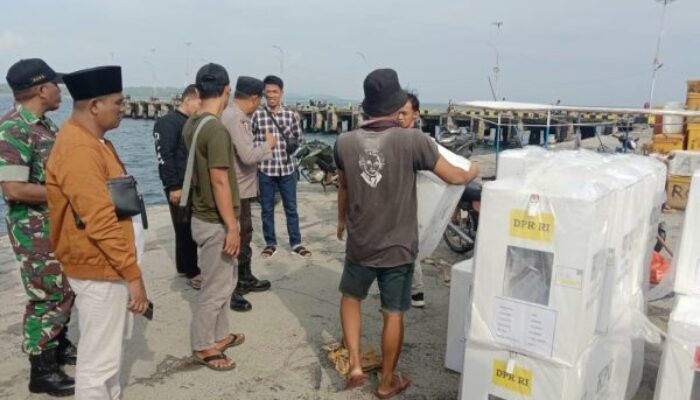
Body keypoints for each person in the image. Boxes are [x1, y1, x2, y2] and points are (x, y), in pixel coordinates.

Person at [335, 69, 479, 398]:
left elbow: (343, 187)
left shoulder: (344, 142)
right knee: (393, 313)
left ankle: (355, 364)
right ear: (398, 105)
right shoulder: (412, 140)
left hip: (360, 240)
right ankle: (387, 381)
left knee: (350, 298)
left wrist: (341, 222)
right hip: (397, 246)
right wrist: (473, 170)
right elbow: (454, 176)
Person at [46, 65, 150, 399]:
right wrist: (132, 273)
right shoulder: (79, 148)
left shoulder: (96, 141)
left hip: (111, 265)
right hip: (100, 267)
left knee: (108, 360)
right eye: (117, 102)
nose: (124, 108)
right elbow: (100, 220)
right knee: (98, 365)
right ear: (94, 105)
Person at [0, 58, 76, 396]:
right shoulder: (14, 128)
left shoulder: (44, 125)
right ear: (42, 88)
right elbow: (13, 189)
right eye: (55, 84)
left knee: (64, 288)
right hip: (34, 230)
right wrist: (67, 192)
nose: (60, 90)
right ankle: (42, 370)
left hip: (55, 224)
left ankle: (57, 347)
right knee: (47, 295)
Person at [182, 63, 244, 371]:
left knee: (225, 280)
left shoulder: (192, 122)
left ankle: (220, 334)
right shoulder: (216, 129)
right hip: (215, 220)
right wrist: (232, 226)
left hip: (201, 215)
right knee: (216, 286)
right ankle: (204, 345)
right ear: (226, 90)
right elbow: (219, 179)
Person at [221, 76, 277, 312]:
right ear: (254, 98)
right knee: (237, 239)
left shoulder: (234, 115)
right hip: (238, 190)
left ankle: (245, 277)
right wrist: (268, 146)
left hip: (242, 187)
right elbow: (247, 155)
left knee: (245, 233)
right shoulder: (236, 119)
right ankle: (233, 288)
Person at [251, 75, 311, 258]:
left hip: (287, 169)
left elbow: (299, 139)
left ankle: (296, 242)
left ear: (281, 93)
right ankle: (270, 243)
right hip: (265, 170)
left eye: (275, 91)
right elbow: (251, 140)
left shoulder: (291, 115)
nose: (271, 95)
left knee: (291, 208)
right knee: (267, 209)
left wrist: (290, 147)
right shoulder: (257, 115)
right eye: (267, 92)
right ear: (263, 93)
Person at [153, 84, 202, 288]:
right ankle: (192, 271)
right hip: (178, 183)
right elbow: (164, 156)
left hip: (190, 181)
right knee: (184, 227)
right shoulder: (167, 123)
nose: (201, 107)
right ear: (188, 100)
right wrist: (173, 185)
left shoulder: (192, 122)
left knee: (186, 225)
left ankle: (184, 265)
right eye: (199, 103)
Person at [397, 91, 426, 308]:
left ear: (415, 114)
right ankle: (394, 287)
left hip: (413, 202)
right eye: (397, 112)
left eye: (404, 113)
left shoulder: (420, 140)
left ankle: (416, 290)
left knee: (410, 246)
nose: (400, 117)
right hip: (391, 200)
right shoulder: (391, 136)